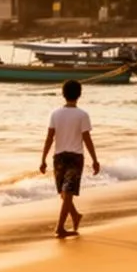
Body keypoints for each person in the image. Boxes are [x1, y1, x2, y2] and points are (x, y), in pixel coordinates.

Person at [38, 79, 99, 239]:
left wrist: (43, 158)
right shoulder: (82, 114)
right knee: (64, 193)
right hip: (74, 157)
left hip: (60, 157)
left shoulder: (55, 113)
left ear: (63, 94)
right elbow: (87, 139)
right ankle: (75, 215)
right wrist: (94, 159)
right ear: (79, 94)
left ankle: (60, 228)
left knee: (67, 191)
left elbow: (49, 138)